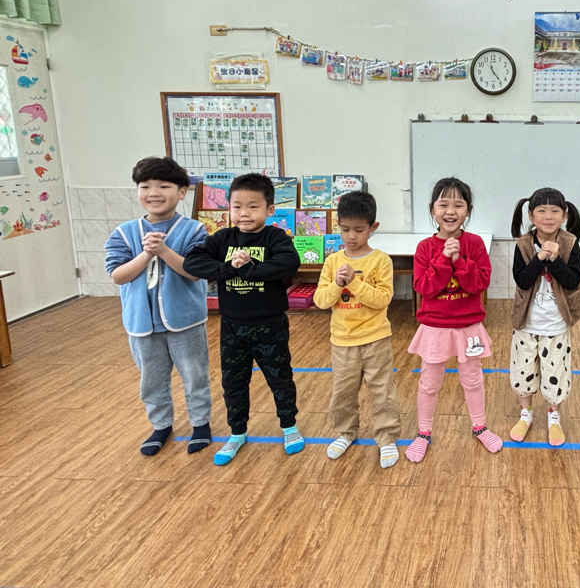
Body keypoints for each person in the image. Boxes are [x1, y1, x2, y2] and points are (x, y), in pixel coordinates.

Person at [184, 173, 303, 465]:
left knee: (280, 378)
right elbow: (193, 261)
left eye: (253, 206)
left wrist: (249, 268)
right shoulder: (223, 238)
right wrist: (228, 268)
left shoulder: (275, 237)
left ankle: (289, 427)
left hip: (270, 325)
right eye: (237, 206)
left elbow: (289, 261)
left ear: (270, 209)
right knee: (233, 382)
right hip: (232, 326)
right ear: (229, 208)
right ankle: (237, 432)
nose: (244, 213)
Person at [105, 156, 212, 456]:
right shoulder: (124, 233)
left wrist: (163, 251)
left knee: (195, 376)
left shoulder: (194, 231)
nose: (153, 192)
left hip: (185, 321)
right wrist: (146, 254)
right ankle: (161, 425)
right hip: (141, 323)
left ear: (182, 192)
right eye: (145, 186)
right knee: (151, 380)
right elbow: (118, 275)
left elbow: (195, 271)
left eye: (164, 186)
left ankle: (200, 424)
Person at [405, 177, 501, 462]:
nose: (450, 211)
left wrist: (459, 260)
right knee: (429, 382)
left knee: (472, 380)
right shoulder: (425, 247)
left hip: (468, 327)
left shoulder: (475, 244)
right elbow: (424, 288)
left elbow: (479, 284)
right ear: (432, 209)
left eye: (458, 205)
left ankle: (480, 427)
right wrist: (443, 260)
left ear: (468, 210)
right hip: (435, 327)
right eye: (443, 204)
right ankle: (423, 433)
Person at [313, 191, 401, 468]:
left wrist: (354, 283)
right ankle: (345, 433)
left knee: (382, 391)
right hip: (342, 341)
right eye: (345, 229)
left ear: (373, 227)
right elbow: (321, 301)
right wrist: (338, 284)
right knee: (343, 392)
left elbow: (382, 299)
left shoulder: (381, 260)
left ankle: (387, 438)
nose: (351, 236)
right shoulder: (332, 261)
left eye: (359, 230)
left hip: (376, 338)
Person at [508, 188, 580, 446]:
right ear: (531, 215)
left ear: (564, 215)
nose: (548, 216)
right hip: (526, 322)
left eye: (555, 210)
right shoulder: (523, 244)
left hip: (556, 324)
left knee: (555, 372)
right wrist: (539, 258)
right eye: (541, 210)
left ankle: (554, 417)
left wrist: (554, 261)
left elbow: (573, 281)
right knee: (523, 371)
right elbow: (522, 280)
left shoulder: (570, 243)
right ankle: (525, 414)